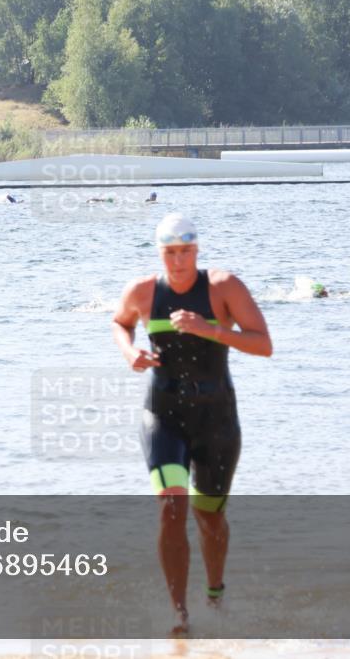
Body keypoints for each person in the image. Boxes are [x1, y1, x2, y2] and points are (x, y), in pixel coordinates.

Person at [111, 213, 272, 636]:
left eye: (185, 251)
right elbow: (120, 322)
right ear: (159, 253)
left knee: (209, 516)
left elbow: (263, 344)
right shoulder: (143, 291)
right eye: (170, 252)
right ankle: (179, 614)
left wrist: (209, 330)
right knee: (171, 508)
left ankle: (215, 594)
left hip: (216, 418)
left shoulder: (223, 287)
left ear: (197, 250)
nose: (178, 261)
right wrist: (129, 353)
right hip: (162, 415)